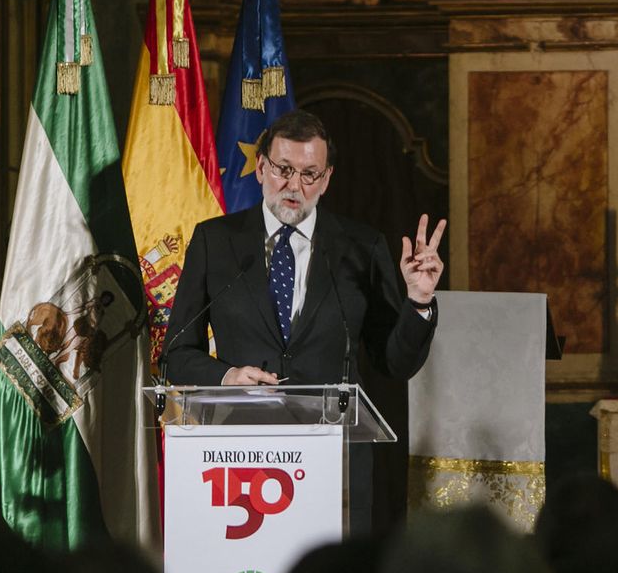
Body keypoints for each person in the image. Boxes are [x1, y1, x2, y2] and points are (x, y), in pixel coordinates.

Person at [163, 109, 444, 386]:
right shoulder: (214, 241)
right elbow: (176, 354)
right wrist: (227, 377)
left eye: (309, 174)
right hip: (242, 424)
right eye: (283, 169)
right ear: (261, 168)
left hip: (331, 426)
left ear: (326, 179)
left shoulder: (363, 247)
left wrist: (419, 301)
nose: (294, 185)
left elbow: (394, 364)